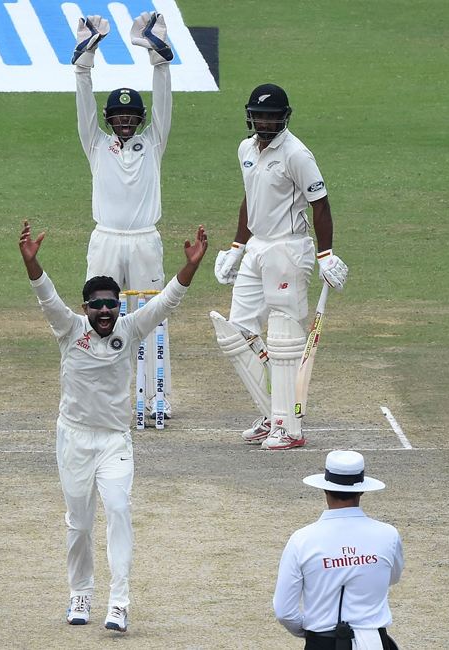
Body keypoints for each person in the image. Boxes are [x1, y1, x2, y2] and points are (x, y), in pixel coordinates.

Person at [19, 219, 207, 633]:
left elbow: (166, 302)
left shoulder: (130, 328)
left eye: (111, 304)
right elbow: (46, 296)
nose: (105, 311)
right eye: (97, 305)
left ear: (119, 305)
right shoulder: (69, 329)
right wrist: (31, 262)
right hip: (73, 439)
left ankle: (119, 603)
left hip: (114, 442)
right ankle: (80, 593)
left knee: (119, 511)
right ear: (85, 307)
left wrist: (191, 265)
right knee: (79, 523)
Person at [210, 83, 349, 450]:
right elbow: (250, 198)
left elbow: (321, 204)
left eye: (271, 117)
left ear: (284, 118)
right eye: (259, 116)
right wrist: (236, 247)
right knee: (237, 331)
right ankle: (273, 413)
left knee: (284, 337)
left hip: (288, 248)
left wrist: (326, 254)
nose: (264, 123)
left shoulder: (297, 154)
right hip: (257, 246)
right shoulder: (245, 149)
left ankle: (290, 428)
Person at [71, 12, 175, 420]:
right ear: (109, 120)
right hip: (106, 240)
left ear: (141, 120)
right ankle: (96, 394)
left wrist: (159, 61)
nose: (126, 124)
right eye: (119, 118)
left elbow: (164, 100)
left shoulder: (154, 142)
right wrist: (84, 63)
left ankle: (157, 398)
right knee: (97, 317)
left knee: (152, 320)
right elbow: (83, 103)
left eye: (132, 119)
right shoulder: (96, 144)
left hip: (146, 240)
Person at [273, 450, 403, 649]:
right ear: (362, 490)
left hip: (322, 642)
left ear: (325, 489)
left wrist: (312, 633)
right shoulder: (389, 534)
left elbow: (284, 611)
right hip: (375, 642)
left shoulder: (302, 539)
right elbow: (391, 578)